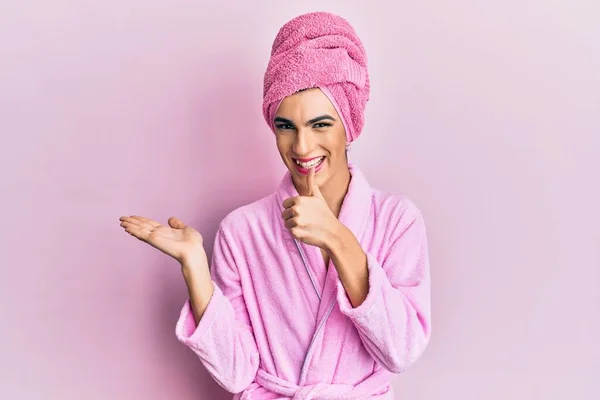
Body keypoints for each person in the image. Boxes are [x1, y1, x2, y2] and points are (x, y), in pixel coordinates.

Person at [119, 11, 431, 399]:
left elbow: (400, 351)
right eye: (286, 126)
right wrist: (195, 267)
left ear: (348, 125)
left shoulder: (397, 221)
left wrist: (339, 239)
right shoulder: (242, 230)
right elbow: (236, 373)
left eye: (320, 124)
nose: (301, 148)